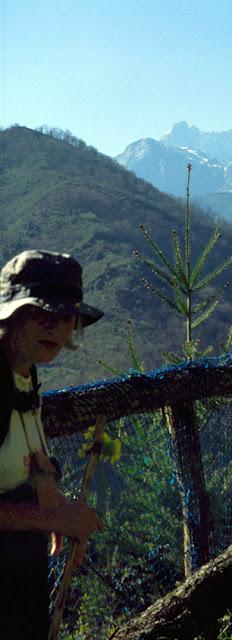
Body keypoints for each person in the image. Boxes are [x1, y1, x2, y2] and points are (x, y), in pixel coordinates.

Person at [0, 249, 105, 639]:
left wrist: (53, 498)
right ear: (10, 314)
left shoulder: (23, 373)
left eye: (65, 316)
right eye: (39, 312)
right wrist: (51, 518)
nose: (55, 327)